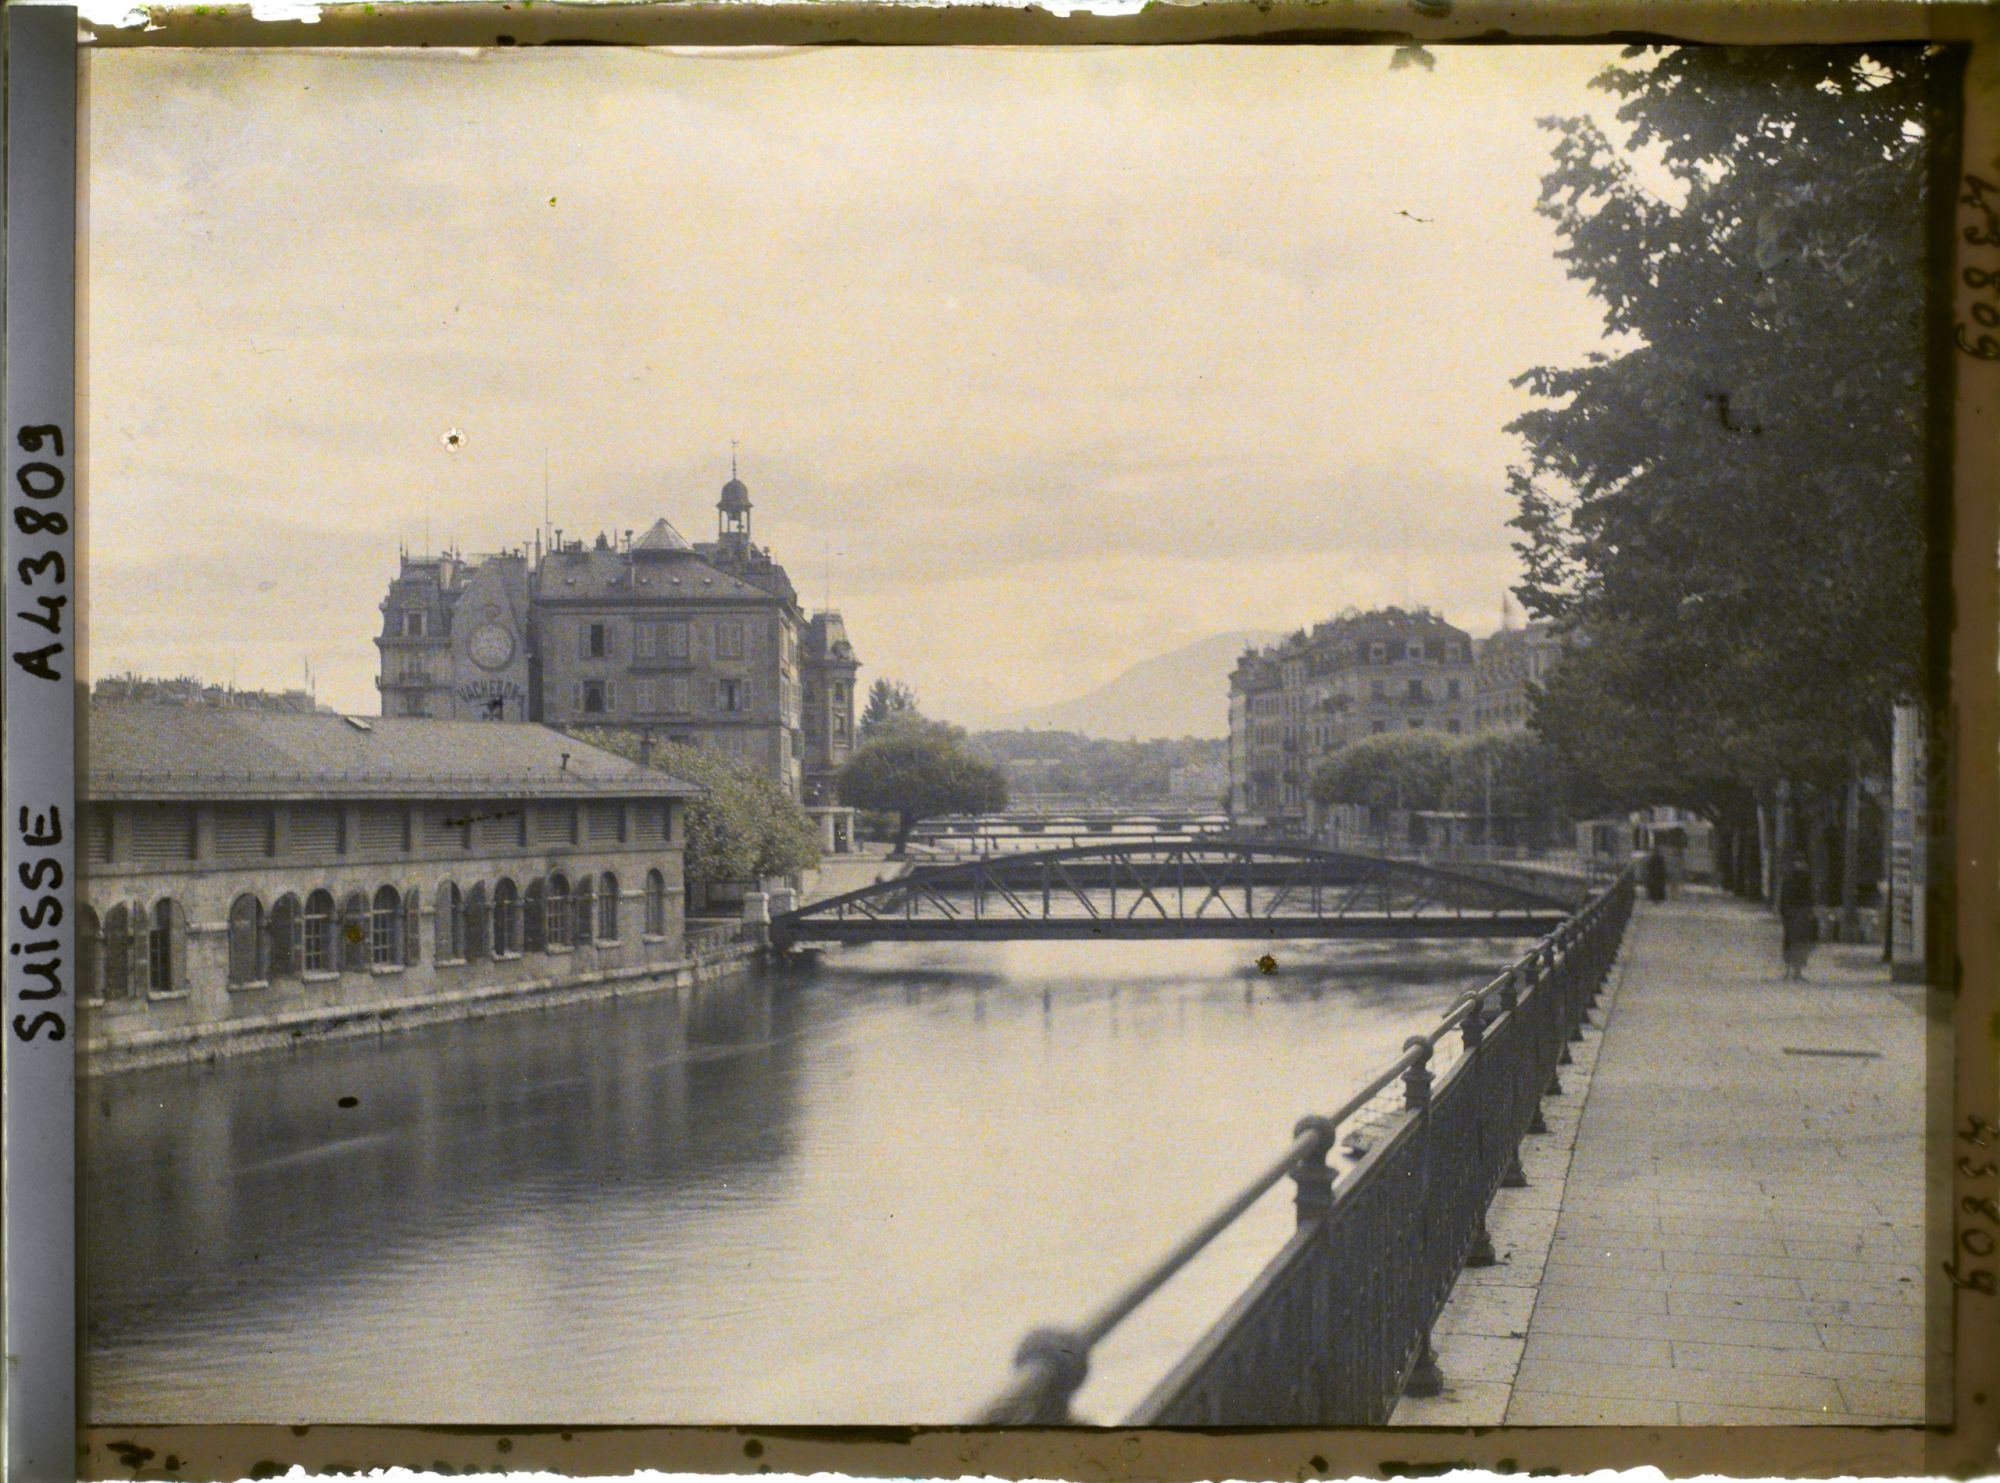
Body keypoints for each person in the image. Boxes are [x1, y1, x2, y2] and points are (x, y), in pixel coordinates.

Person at [1778, 857, 1818, 980]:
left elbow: (1783, 896)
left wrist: (1783, 911)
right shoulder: (1806, 879)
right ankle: (1796, 971)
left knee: (1791, 941)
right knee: (1800, 942)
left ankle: (1789, 970)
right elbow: (1810, 897)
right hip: (1800, 913)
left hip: (1791, 913)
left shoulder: (1789, 879)